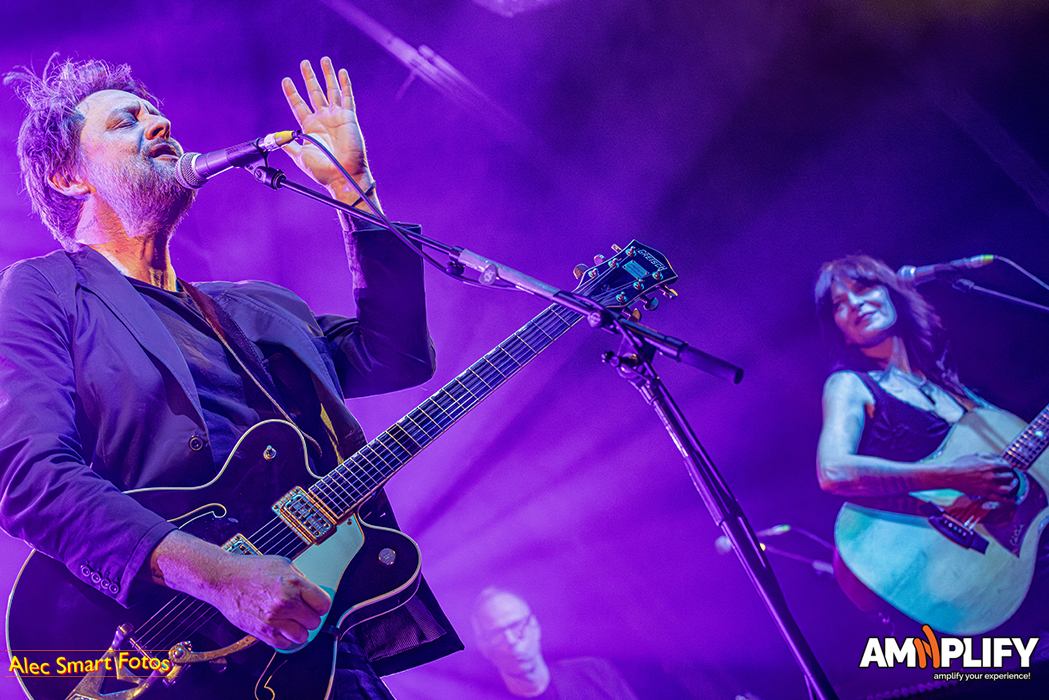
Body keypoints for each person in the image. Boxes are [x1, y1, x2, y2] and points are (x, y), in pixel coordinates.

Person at [0, 56, 461, 698]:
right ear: (69, 176)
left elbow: (397, 354)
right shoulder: (44, 290)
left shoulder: (258, 308)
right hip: (163, 649)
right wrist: (218, 576)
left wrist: (354, 187)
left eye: (157, 113)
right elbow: (30, 478)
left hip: (314, 644)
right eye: (127, 120)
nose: (159, 123)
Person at [471, 587, 639, 700]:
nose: (512, 641)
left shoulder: (594, 672)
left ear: (535, 626)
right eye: (496, 634)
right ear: (483, 647)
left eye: (517, 626)